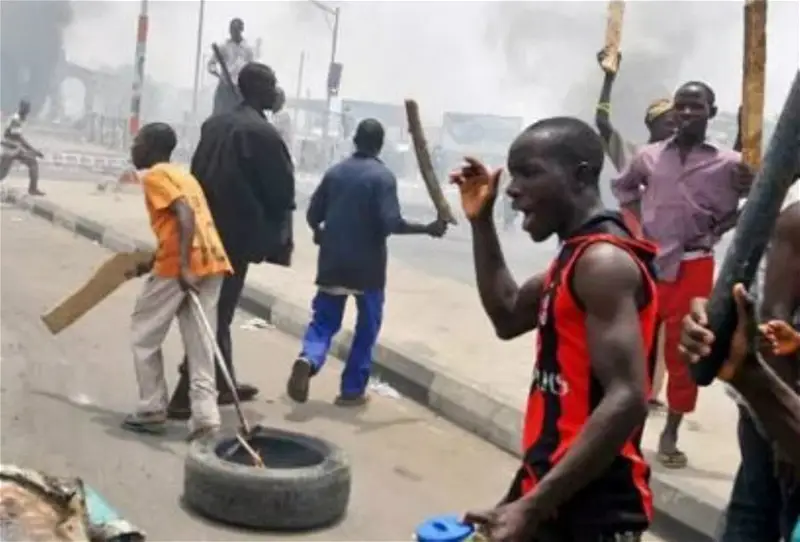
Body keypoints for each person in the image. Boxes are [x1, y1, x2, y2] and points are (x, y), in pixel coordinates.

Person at [457, 117, 658, 541]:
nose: (512, 190)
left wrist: (532, 506)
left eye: (529, 173)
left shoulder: (603, 263)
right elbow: (508, 315)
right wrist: (481, 222)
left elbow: (627, 398)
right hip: (553, 488)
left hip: (594, 507)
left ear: (581, 176)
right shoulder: (575, 257)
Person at [611, 81, 753, 469]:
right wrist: (640, 226)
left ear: (711, 112)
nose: (687, 113)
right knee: (636, 349)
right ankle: (629, 429)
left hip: (694, 267)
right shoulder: (649, 156)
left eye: (696, 106)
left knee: (685, 353)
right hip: (651, 264)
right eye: (681, 106)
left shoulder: (730, 164)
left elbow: (755, 202)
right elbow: (624, 189)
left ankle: (671, 431)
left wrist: (721, 225)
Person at [286, 119, 447, 406]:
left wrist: (319, 232)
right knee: (366, 329)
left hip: (332, 262)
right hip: (368, 269)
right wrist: (427, 228)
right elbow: (391, 223)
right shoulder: (383, 178)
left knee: (323, 322)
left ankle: (308, 359)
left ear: (355, 140)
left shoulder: (335, 173)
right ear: (380, 145)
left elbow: (313, 215)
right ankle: (352, 390)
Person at [166, 62, 295, 420]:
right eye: (272, 85)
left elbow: (197, 173)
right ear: (258, 89)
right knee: (217, 312)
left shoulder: (215, 124)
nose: (276, 92)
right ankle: (184, 396)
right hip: (236, 237)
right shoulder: (263, 134)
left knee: (218, 308)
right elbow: (281, 191)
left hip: (205, 229)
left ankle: (223, 383)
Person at [683, 178, 800, 542]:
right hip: (780, 401)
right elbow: (774, 320)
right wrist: (782, 427)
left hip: (779, 403)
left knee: (756, 511)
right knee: (759, 512)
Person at [122, 122, 231, 442]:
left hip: (180, 267)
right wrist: (152, 261)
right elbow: (179, 223)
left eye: (137, 142)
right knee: (200, 342)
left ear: (152, 147)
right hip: (212, 261)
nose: (133, 148)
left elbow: (185, 214)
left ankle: (152, 408)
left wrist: (182, 266)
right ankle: (206, 418)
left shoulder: (155, 176)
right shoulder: (184, 175)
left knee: (144, 334)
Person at [208, 18, 254, 115]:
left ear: (241, 30)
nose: (234, 33)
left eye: (237, 30)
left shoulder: (248, 50)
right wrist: (219, 76)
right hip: (225, 87)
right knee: (218, 115)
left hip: (240, 89)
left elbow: (251, 68)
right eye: (233, 30)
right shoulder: (223, 47)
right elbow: (211, 65)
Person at [0, 99, 45, 195]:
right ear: (21, 108)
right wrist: (33, 150)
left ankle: (32, 189)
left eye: (28, 108)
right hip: (9, 149)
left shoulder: (19, 119)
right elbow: (17, 137)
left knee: (32, 162)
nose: (28, 111)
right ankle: (32, 189)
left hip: (15, 148)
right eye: (26, 108)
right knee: (2, 174)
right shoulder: (16, 119)